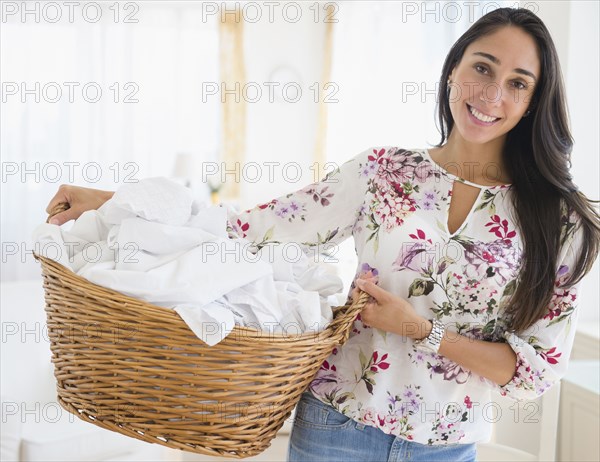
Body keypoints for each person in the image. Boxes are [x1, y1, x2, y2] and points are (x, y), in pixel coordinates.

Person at [46, 7, 600, 462]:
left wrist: (420, 330)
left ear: (532, 102)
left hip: (446, 445)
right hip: (338, 422)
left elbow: (534, 371)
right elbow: (255, 229)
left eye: (517, 83)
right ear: (453, 70)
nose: (493, 93)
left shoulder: (558, 220)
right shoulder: (383, 171)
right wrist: (116, 200)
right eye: (482, 68)